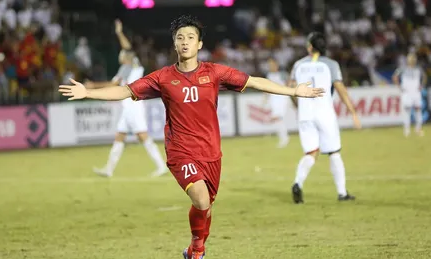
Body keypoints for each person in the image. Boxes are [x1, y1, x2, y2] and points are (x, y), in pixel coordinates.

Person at [59, 15, 324, 259]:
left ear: (199, 44)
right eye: (180, 37)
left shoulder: (214, 73)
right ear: (174, 44)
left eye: (190, 37)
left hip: (211, 153)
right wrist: (88, 92)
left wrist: (293, 92)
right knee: (200, 198)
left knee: (206, 207)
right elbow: (126, 91)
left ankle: (194, 248)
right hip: (180, 151)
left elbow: (254, 81)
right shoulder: (162, 78)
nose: (185, 42)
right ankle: (198, 251)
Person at [289, 32, 361, 204]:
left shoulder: (298, 65)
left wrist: (298, 106)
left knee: (311, 152)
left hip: (305, 114)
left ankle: (297, 183)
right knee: (334, 152)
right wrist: (353, 112)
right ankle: (342, 193)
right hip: (324, 113)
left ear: (310, 46)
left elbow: (290, 88)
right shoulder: (331, 64)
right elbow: (341, 89)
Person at [91, 19, 168, 177]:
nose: (121, 54)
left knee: (142, 135)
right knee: (119, 136)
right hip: (127, 107)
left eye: (123, 53)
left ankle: (162, 166)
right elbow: (113, 84)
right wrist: (92, 86)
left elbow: (127, 48)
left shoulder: (134, 65)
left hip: (133, 105)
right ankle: (109, 169)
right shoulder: (123, 69)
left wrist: (119, 33)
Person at [392, 53, 427, 137]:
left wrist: (422, 86)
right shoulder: (402, 68)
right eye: (411, 59)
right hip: (407, 93)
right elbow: (394, 76)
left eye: (413, 59)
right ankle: (406, 130)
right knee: (407, 111)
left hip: (416, 92)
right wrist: (399, 86)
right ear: (407, 60)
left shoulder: (418, 68)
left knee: (418, 110)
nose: (412, 61)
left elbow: (425, 76)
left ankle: (418, 128)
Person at [264, 57, 290, 148]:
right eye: (269, 65)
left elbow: (289, 84)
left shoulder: (282, 74)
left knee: (278, 118)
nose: (270, 66)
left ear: (276, 65)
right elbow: (267, 87)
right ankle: (283, 138)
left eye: (272, 64)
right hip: (273, 98)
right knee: (277, 119)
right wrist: (266, 98)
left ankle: (284, 139)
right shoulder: (269, 75)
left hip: (282, 98)